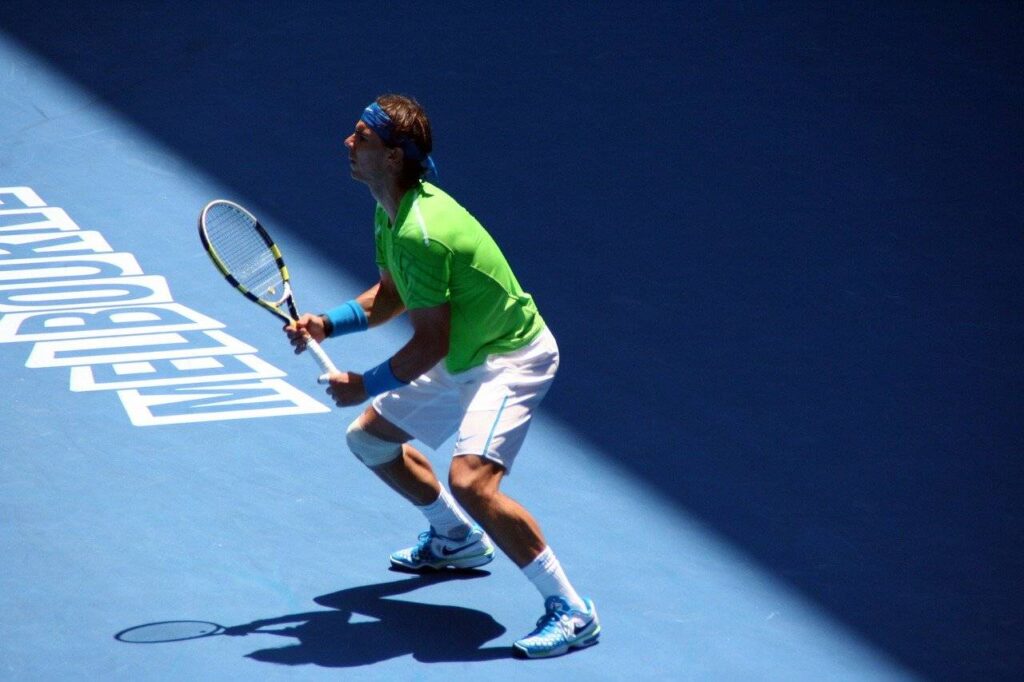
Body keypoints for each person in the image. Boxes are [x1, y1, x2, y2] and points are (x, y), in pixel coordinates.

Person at [284, 94, 600, 658]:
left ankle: (572, 610)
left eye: (363, 137)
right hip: (461, 353)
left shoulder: (421, 231)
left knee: (473, 481)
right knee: (369, 440)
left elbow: (429, 341)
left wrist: (364, 384)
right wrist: (327, 326)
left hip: (509, 357)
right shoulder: (390, 211)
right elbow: (391, 296)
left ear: (394, 157)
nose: (348, 143)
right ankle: (455, 540)